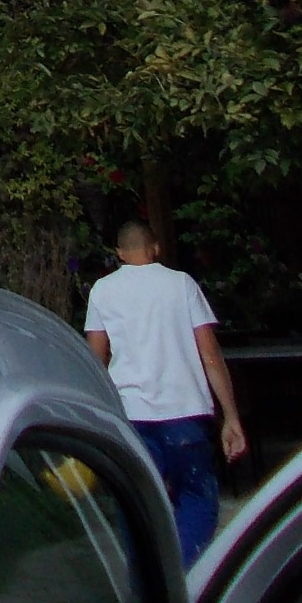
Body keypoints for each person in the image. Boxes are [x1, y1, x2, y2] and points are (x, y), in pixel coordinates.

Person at [85, 220, 247, 566]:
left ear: (119, 253)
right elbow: (211, 355)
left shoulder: (102, 290)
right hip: (185, 412)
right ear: (155, 247)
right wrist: (230, 416)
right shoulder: (181, 284)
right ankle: (185, 574)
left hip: (131, 415)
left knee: (139, 504)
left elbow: (95, 359)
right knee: (196, 496)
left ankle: (146, 585)